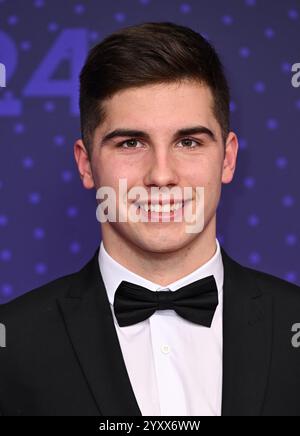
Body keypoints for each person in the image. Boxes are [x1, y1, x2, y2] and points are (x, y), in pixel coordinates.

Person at [0, 21, 299, 417]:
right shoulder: (13, 344)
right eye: (131, 143)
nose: (161, 175)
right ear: (86, 164)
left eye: (188, 142)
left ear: (227, 158)